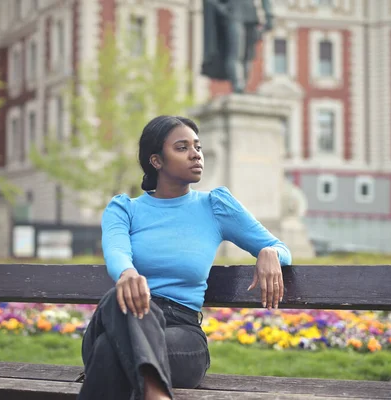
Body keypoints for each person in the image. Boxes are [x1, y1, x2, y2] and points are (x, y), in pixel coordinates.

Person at [77, 115, 292, 400]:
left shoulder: (215, 206)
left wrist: (268, 252)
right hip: (126, 313)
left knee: (107, 350)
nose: (196, 155)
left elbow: (280, 248)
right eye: (182, 148)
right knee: (122, 300)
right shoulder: (125, 209)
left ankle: (152, 391)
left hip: (181, 335)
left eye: (198, 147)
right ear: (156, 161)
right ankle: (155, 392)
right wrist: (128, 274)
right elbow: (117, 251)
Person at [201, 0, 274, 93]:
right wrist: (222, 9)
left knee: (248, 56)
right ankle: (238, 85)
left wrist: (269, 15)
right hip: (233, 14)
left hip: (251, 13)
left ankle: (244, 86)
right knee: (236, 53)